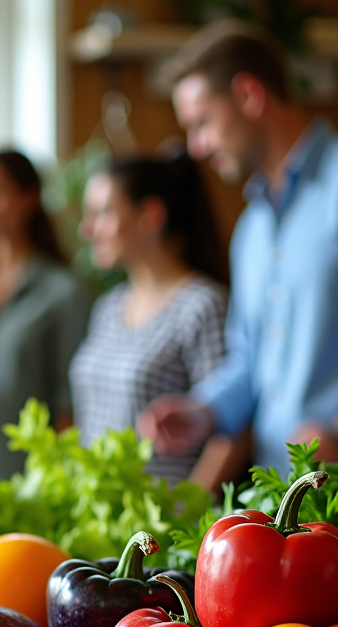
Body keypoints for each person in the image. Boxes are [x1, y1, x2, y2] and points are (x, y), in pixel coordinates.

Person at [138, 21, 338, 473]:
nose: (196, 148)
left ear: (248, 96)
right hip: (278, 498)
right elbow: (249, 359)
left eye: (202, 123)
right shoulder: (251, 228)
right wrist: (202, 411)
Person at [69, 152, 230, 484]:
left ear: (150, 216)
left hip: (163, 521)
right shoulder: (108, 307)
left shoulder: (202, 306)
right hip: (96, 515)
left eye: (103, 214)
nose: (88, 230)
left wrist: (191, 513)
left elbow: (229, 429)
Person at [0, 150, 90, 474]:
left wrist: (57, 477)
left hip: (26, 479)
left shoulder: (65, 293)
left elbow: (70, 403)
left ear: (28, 199)